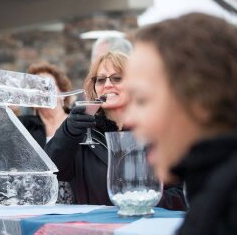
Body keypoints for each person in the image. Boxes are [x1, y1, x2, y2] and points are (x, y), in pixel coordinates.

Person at [123, 13, 237, 234]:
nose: (129, 119)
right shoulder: (213, 197)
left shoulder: (225, 208)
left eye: (141, 100)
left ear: (202, 100)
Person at [45, 51, 186, 210]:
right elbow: (51, 172)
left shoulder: (158, 131)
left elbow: (180, 196)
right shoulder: (81, 132)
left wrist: (143, 202)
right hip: (93, 229)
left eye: (117, 78)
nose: (107, 85)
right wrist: (68, 132)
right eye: (100, 80)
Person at [19, 62, 74, 203]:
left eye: (47, 85)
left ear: (62, 93)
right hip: (37, 202)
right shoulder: (24, 126)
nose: (42, 90)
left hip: (77, 197)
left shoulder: (78, 123)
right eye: (36, 87)